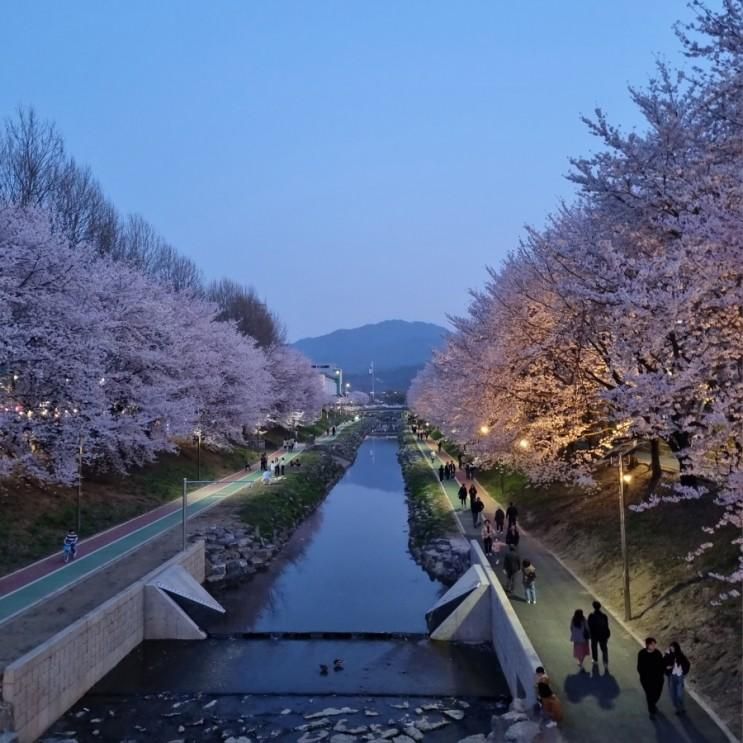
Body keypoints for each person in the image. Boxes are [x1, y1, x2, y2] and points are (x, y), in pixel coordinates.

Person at [638, 637, 666, 718]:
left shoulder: (657, 653)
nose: (654, 646)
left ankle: (653, 704)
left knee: (657, 694)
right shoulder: (642, 653)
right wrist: (644, 676)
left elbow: (662, 664)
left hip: (658, 680)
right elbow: (639, 667)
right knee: (649, 695)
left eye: (655, 644)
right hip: (646, 680)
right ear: (648, 645)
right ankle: (652, 711)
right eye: (652, 645)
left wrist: (664, 670)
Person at [664, 641, 691, 715]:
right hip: (671, 676)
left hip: (679, 676)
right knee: (673, 694)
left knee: (679, 694)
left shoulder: (680, 655)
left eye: (673, 647)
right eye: (671, 647)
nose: (671, 649)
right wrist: (667, 668)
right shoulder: (668, 655)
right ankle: (677, 708)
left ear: (676, 648)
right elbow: (664, 663)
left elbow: (687, 664)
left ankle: (682, 707)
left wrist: (684, 672)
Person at [588, 600, 611, 667]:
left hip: (594, 635)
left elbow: (589, 625)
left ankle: (595, 660)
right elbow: (606, 626)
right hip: (603, 635)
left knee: (594, 647)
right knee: (604, 649)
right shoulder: (604, 616)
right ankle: (605, 662)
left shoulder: (591, 616)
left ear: (593, 607)